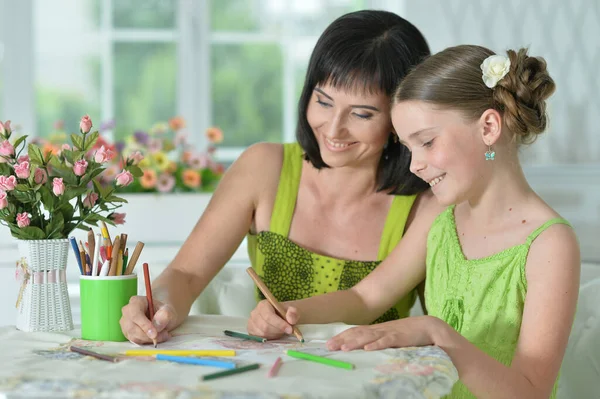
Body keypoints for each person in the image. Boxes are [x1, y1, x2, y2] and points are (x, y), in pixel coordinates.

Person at [248, 45, 580, 399]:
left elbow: (531, 393)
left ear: (488, 126)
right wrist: (288, 312)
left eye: (426, 142)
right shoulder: (442, 219)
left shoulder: (550, 244)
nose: (414, 166)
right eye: (408, 148)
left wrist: (437, 334)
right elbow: (364, 298)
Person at [120, 10, 439, 345]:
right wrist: (158, 304)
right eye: (324, 101)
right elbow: (186, 275)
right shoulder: (263, 167)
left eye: (361, 114)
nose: (333, 129)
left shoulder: (426, 204)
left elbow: (369, 301)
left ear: (400, 117)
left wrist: (288, 312)